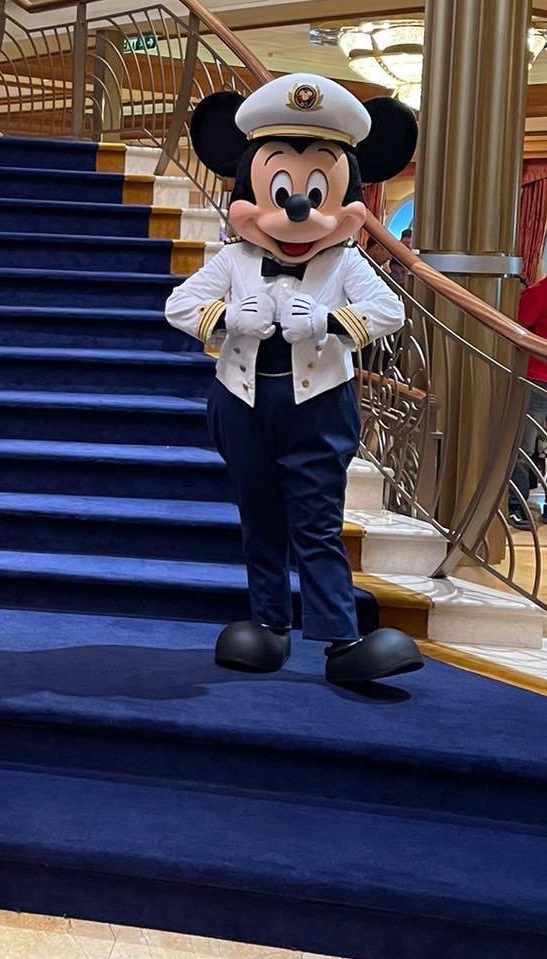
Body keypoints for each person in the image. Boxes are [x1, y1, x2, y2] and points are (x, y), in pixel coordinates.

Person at [166, 74, 423, 685]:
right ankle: (269, 624)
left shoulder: (345, 261)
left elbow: (393, 311)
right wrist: (229, 318)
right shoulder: (233, 258)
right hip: (242, 400)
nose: (299, 207)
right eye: (281, 187)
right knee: (258, 515)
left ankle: (339, 638)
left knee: (315, 521)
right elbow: (178, 305)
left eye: (317, 190)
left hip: (318, 404)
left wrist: (332, 321)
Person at [508, 274, 547, 529]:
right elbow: (519, 322)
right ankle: (517, 506)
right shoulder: (542, 290)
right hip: (537, 377)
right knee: (524, 444)